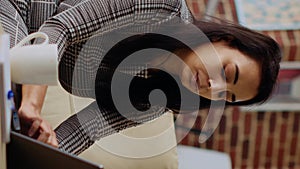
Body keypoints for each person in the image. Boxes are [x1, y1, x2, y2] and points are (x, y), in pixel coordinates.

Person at [1, 0, 281, 155]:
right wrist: (33, 105)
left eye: (225, 95)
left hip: (20, 66)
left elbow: (85, 130)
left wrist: (48, 150)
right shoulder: (161, 8)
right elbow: (61, 27)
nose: (214, 87)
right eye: (227, 72)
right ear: (222, 39)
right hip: (20, 9)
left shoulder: (153, 101)